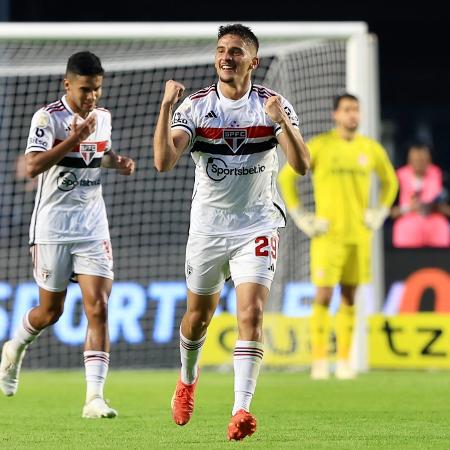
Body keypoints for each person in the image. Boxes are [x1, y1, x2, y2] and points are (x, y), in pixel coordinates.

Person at [153, 24, 310, 441]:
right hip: (208, 227)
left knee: (251, 315)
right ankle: (187, 380)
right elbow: (164, 161)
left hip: (257, 223)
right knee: (198, 317)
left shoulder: (271, 105)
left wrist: (283, 124)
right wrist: (167, 107)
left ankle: (241, 409)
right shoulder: (197, 106)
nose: (226, 57)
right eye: (221, 50)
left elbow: (302, 164)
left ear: (253, 61)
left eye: (236, 52)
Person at [0, 51, 135, 418]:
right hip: (52, 228)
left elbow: (95, 156)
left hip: (92, 226)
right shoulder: (48, 118)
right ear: (67, 84)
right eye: (85, 89)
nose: (92, 97)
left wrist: (114, 161)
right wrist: (72, 140)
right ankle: (14, 348)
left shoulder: (102, 118)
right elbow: (32, 166)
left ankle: (94, 398)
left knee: (99, 307)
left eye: (97, 90)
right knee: (50, 311)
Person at [278, 93, 398, 380]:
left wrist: (379, 212)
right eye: (346, 110)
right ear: (335, 115)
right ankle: (319, 360)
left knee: (350, 296)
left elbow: (390, 182)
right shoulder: (321, 145)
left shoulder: (370, 149)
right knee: (323, 294)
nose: (352, 115)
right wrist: (301, 216)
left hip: (359, 235)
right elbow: (286, 177)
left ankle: (344, 361)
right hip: (328, 237)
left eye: (356, 110)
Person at [390, 143, 450, 247]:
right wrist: (409, 208)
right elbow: (389, 213)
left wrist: (437, 208)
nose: (419, 163)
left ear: (429, 160)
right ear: (409, 161)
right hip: (407, 237)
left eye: (423, 160)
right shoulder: (397, 180)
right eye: (416, 160)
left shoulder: (442, 177)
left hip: (436, 235)